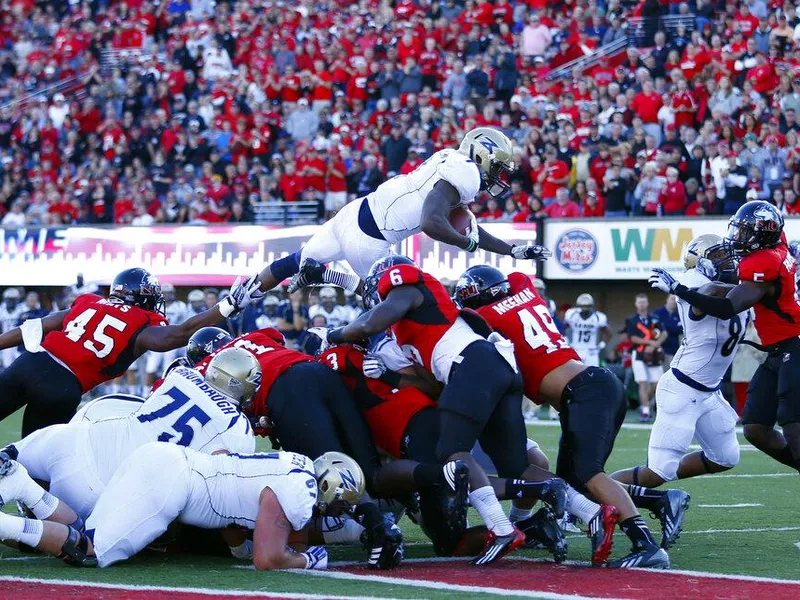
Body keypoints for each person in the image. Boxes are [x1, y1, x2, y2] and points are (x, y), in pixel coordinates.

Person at [307, 255, 559, 565]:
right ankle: (534, 521)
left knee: (444, 472)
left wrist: (338, 338)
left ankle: (534, 498)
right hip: (461, 396)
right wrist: (329, 275)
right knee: (449, 525)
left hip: (440, 411)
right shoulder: (404, 332)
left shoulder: (386, 333)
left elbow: (374, 328)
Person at [454, 265, 670, 569]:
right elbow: (514, 278)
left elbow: (464, 320)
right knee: (573, 482)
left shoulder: (487, 318)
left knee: (589, 474)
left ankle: (645, 543)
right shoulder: (526, 293)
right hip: (593, 385)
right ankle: (654, 504)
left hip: (583, 392)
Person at [318, 335, 569, 561]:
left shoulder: (339, 362)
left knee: (447, 529)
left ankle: (538, 492)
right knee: (443, 508)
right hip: (443, 417)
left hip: (411, 429)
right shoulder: (385, 356)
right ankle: (533, 520)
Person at [255, 128, 550, 295]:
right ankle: (329, 277)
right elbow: (432, 223)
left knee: (293, 262)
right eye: (497, 167)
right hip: (371, 240)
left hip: (355, 211)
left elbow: (468, 227)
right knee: (408, 299)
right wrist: (467, 245)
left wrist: (513, 251)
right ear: (482, 154)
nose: (497, 176)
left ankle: (233, 301)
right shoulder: (467, 174)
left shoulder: (450, 159)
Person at [0, 446, 364, 571]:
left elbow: (235, 495)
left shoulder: (294, 463)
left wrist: (240, 547)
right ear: (330, 487)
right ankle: (4, 525)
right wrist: (308, 560)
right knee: (90, 551)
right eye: (339, 504)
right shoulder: (301, 493)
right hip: (173, 483)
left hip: (164, 458)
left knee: (82, 530)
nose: (334, 512)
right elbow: (268, 559)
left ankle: (22, 486)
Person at [0, 348, 259, 524]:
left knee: (9, 458)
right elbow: (218, 492)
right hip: (101, 490)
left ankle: (18, 480)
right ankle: (29, 513)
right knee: (80, 540)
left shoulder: (181, 375)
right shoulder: (238, 427)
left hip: (69, 441)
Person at [0, 268, 262, 436]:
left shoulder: (90, 301)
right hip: (62, 385)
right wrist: (227, 306)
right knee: (33, 458)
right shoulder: (141, 319)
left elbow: (35, 327)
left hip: (30, 363)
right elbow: (177, 335)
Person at [649, 201, 800, 474]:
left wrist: (677, 289)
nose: (737, 239)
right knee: (754, 427)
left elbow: (727, 307)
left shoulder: (764, 262)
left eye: (745, 232)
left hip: (795, 346)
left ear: (764, 233)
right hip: (778, 351)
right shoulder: (778, 246)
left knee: (793, 423)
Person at [613, 235, 745, 533]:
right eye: (720, 256)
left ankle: (656, 488)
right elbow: (708, 299)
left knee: (725, 457)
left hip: (709, 392)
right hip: (682, 388)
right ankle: (590, 495)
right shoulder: (696, 285)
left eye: (728, 254)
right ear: (702, 263)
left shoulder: (740, 288)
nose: (729, 261)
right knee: (657, 471)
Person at [625, 293, 667, 422]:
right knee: (642, 383)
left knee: (656, 384)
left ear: (647, 303)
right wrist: (650, 343)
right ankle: (645, 411)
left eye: (644, 302)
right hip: (638, 355)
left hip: (654, 356)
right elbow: (633, 338)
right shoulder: (631, 320)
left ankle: (645, 404)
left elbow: (664, 333)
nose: (642, 305)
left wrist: (656, 344)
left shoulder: (654, 318)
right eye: (639, 302)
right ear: (636, 304)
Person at [144, 283, 188, 387]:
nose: (167, 295)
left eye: (169, 293)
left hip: (172, 339)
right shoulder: (155, 305)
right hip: (157, 338)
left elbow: (184, 322)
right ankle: (146, 391)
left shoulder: (180, 306)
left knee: (167, 366)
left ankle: (165, 388)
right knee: (151, 367)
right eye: (165, 293)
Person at [563, 294, 612, 367]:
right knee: (574, 373)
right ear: (578, 306)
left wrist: (601, 345)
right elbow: (563, 328)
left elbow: (609, 333)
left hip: (591, 351)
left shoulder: (598, 317)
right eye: (582, 306)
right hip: (576, 348)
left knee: (593, 374)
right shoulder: (572, 314)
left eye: (587, 306)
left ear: (591, 306)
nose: (584, 309)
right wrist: (565, 339)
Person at [653, 295, 683, 366]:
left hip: (673, 351)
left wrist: (666, 326)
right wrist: (673, 327)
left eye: (676, 300)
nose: (674, 302)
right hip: (659, 350)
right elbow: (655, 329)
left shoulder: (679, 315)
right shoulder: (657, 313)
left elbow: (681, 330)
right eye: (672, 299)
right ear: (667, 299)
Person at [0, 288, 24, 370]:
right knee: (6, 366)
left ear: (17, 300)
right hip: (5, 340)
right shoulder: (1, 310)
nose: (10, 302)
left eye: (12, 299)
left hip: (19, 341)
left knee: (19, 365)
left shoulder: (22, 309)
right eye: (8, 299)